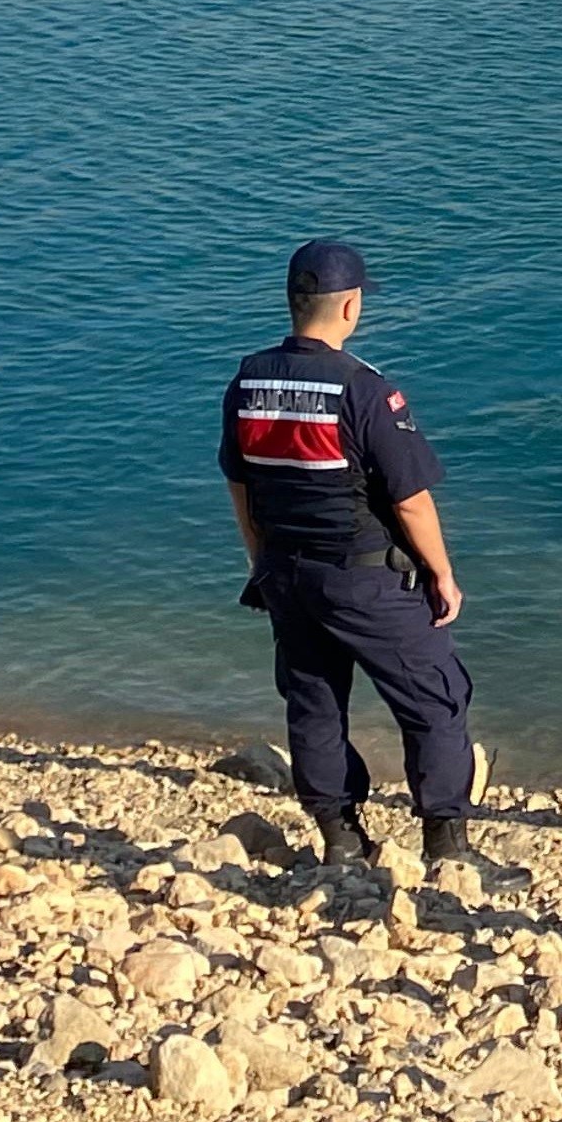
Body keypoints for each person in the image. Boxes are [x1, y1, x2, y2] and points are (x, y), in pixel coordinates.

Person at [218, 239, 480, 868]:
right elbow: (410, 499)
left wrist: (261, 561)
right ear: (350, 306)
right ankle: (448, 846)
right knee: (436, 698)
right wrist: (441, 573)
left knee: (313, 699)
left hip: (286, 570)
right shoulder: (364, 390)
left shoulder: (248, 379)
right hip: (365, 578)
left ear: (292, 301)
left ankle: (339, 835)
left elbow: (241, 486)